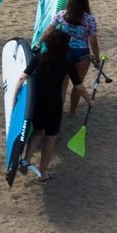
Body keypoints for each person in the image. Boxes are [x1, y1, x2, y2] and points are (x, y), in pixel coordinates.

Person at [39, 0, 104, 117]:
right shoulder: (90, 19)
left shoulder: (61, 15)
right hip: (82, 55)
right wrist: (97, 58)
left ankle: (59, 112)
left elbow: (48, 31)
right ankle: (73, 111)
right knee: (78, 84)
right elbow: (93, 41)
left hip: (64, 53)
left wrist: (38, 44)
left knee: (63, 85)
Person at [22, 34, 71, 180]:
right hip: (54, 105)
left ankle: (26, 161)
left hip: (38, 103)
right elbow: (79, 86)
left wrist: (14, 98)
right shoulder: (66, 63)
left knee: (37, 132)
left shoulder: (38, 59)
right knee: (50, 138)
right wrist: (90, 102)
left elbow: (22, 77)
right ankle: (42, 173)